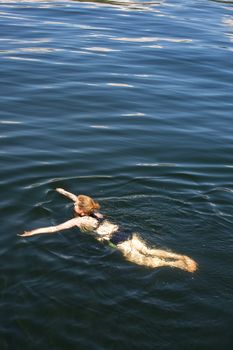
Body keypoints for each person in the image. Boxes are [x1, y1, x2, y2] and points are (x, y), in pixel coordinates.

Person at [19, 188, 197, 273]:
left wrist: (33, 232)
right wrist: (64, 192)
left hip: (116, 240)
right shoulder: (94, 211)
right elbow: (78, 199)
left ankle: (177, 265)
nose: (73, 203)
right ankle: (181, 256)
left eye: (75, 204)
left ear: (80, 211)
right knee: (148, 251)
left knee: (144, 261)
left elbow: (54, 228)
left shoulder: (77, 221)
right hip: (124, 231)